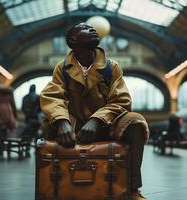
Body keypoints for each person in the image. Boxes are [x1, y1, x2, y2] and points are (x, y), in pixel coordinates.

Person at [40, 22, 149, 200]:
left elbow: (122, 100)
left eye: (92, 27)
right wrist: (62, 121)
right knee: (47, 125)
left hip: (107, 124)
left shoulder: (111, 67)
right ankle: (55, 185)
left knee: (136, 122)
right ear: (73, 40)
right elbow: (52, 97)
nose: (92, 29)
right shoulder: (62, 68)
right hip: (74, 126)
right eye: (84, 28)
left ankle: (132, 189)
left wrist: (96, 120)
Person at [21, 84, 41, 148]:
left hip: (28, 118)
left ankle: (27, 147)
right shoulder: (37, 97)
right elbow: (40, 108)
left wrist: (27, 113)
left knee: (27, 133)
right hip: (35, 118)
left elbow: (23, 108)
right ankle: (37, 147)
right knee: (36, 133)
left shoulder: (25, 97)